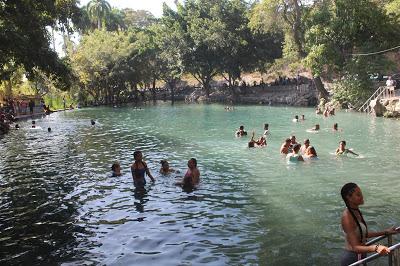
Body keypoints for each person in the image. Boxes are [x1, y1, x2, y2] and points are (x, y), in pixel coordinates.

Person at [340, 183, 399, 266]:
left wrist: (385, 232)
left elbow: (363, 234)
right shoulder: (347, 217)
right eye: (358, 195)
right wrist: (376, 248)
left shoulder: (356, 211)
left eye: (361, 193)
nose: (362, 196)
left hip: (360, 255)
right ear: (349, 198)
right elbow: (355, 247)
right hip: (353, 258)